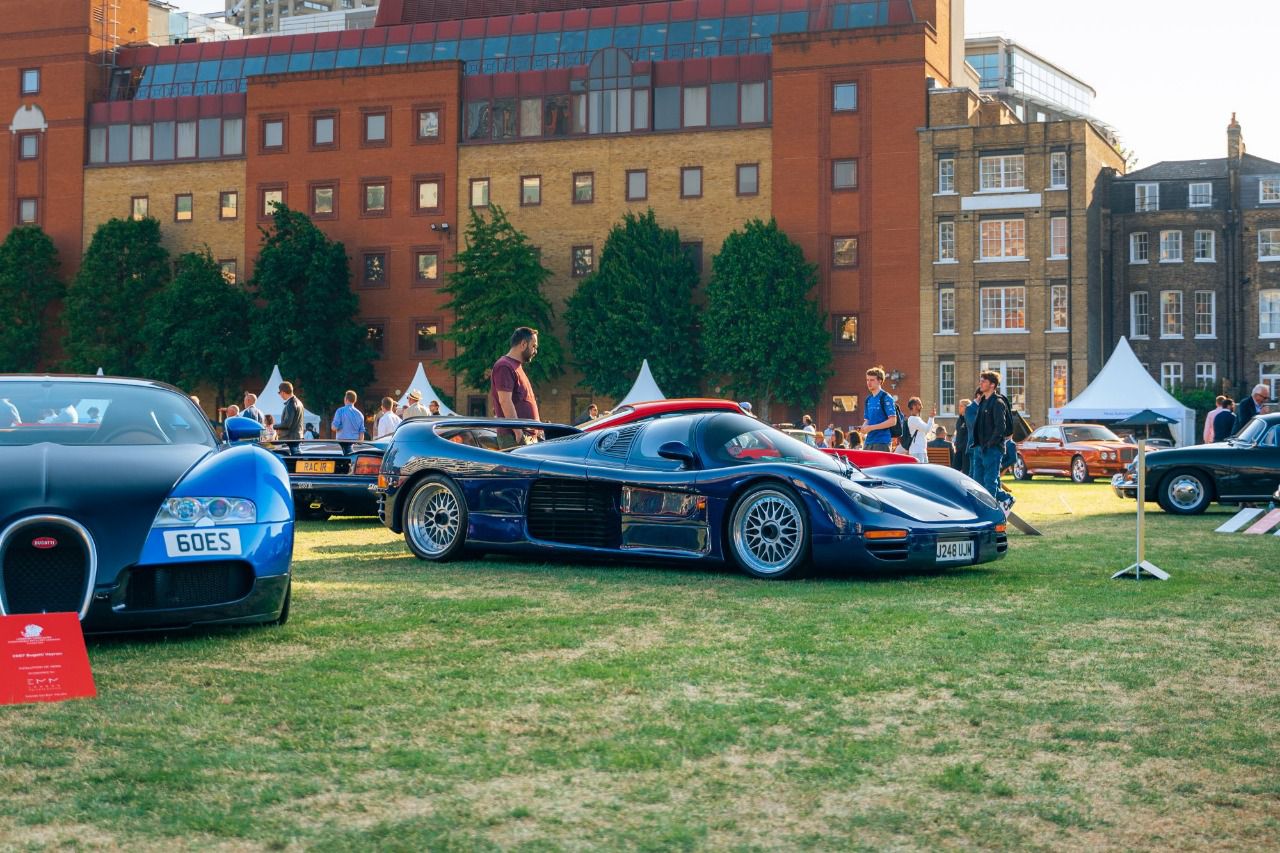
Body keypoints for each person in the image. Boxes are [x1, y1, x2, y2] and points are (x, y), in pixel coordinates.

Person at [971, 371, 1015, 512]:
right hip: (979, 448)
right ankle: (1005, 498)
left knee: (990, 482)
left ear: (992, 385)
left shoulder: (998, 402)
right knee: (977, 482)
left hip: (992, 449)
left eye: (984, 381)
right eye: (981, 380)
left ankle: (988, 511)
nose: (981, 383)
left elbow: (1000, 427)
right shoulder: (983, 401)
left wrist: (990, 444)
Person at [490, 326, 541, 444]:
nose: (535, 351)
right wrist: (518, 432)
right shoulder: (504, 366)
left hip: (526, 436)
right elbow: (505, 401)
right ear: (523, 344)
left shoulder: (516, 366)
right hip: (514, 437)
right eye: (533, 346)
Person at [859, 367, 897, 452]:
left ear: (880, 381)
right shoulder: (868, 399)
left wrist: (871, 428)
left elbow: (893, 421)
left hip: (882, 442)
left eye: (872, 380)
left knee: (881, 466)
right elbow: (867, 420)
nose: (869, 383)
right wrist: (863, 428)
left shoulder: (886, 397)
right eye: (867, 380)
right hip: (868, 441)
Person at [904, 397, 936, 463]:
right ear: (913, 406)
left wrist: (931, 418)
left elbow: (926, 430)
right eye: (919, 404)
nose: (921, 406)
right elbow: (927, 429)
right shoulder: (914, 419)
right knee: (920, 472)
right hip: (917, 451)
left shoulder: (916, 419)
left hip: (920, 450)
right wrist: (931, 417)